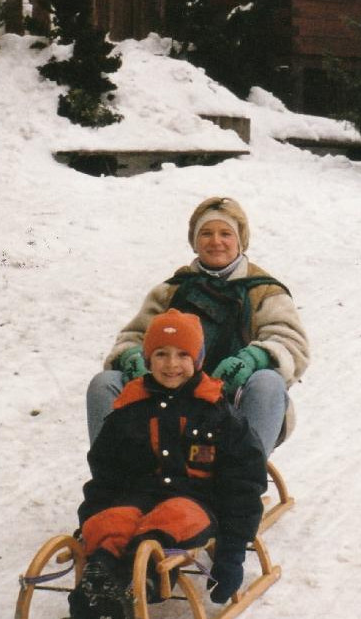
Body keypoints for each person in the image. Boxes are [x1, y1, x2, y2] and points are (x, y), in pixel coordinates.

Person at [70, 309, 267, 619]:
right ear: (148, 359)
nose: (172, 364)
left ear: (198, 360)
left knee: (174, 517)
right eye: (161, 354)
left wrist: (231, 554)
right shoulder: (128, 411)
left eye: (182, 355)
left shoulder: (218, 414)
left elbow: (242, 485)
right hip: (136, 498)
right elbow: (105, 474)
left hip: (197, 502)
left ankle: (142, 578)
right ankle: (99, 581)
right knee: (111, 521)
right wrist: (91, 519)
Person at [86, 196, 310, 457]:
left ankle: (242, 480)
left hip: (233, 401)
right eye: (206, 233)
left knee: (268, 381)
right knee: (105, 383)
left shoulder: (264, 291)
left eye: (225, 233)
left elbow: (291, 343)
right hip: (168, 394)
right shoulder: (172, 290)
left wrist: (254, 357)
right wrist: (131, 356)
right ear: (194, 241)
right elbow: (133, 337)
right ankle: (112, 480)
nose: (216, 241)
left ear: (240, 240)